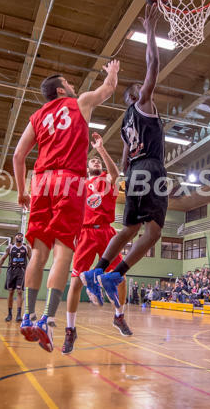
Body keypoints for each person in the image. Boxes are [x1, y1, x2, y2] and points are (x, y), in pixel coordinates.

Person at [12, 57, 120, 353]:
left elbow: (18, 156)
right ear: (61, 90)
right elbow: (108, 89)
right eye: (69, 84)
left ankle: (27, 316)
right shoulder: (79, 102)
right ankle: (46, 319)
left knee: (38, 252)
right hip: (68, 180)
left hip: (41, 182)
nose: (73, 86)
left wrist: (22, 191)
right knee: (63, 251)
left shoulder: (36, 117)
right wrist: (113, 71)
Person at [81, 6, 167, 309]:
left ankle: (97, 270)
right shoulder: (142, 104)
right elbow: (153, 63)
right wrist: (150, 30)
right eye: (143, 89)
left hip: (134, 174)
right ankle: (116, 274)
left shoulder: (124, 125)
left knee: (129, 229)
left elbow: (126, 160)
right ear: (136, 95)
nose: (148, 91)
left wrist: (128, 179)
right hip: (151, 169)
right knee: (153, 232)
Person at [64, 132, 131, 354]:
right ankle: (70, 329)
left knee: (121, 278)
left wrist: (101, 148)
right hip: (84, 233)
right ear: (86, 168)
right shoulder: (80, 184)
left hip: (106, 231)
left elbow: (116, 173)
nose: (95, 161)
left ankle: (119, 316)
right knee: (75, 282)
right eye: (92, 160)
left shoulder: (107, 180)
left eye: (98, 160)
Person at [0, 233, 32, 322]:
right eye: (18, 235)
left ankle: (19, 315)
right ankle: (9, 314)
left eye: (21, 235)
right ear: (15, 237)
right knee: (11, 292)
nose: (19, 236)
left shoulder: (26, 247)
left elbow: (31, 260)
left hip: (21, 271)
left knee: (19, 291)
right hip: (11, 271)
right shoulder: (10, 247)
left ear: (23, 238)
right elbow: (3, 258)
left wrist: (33, 270)